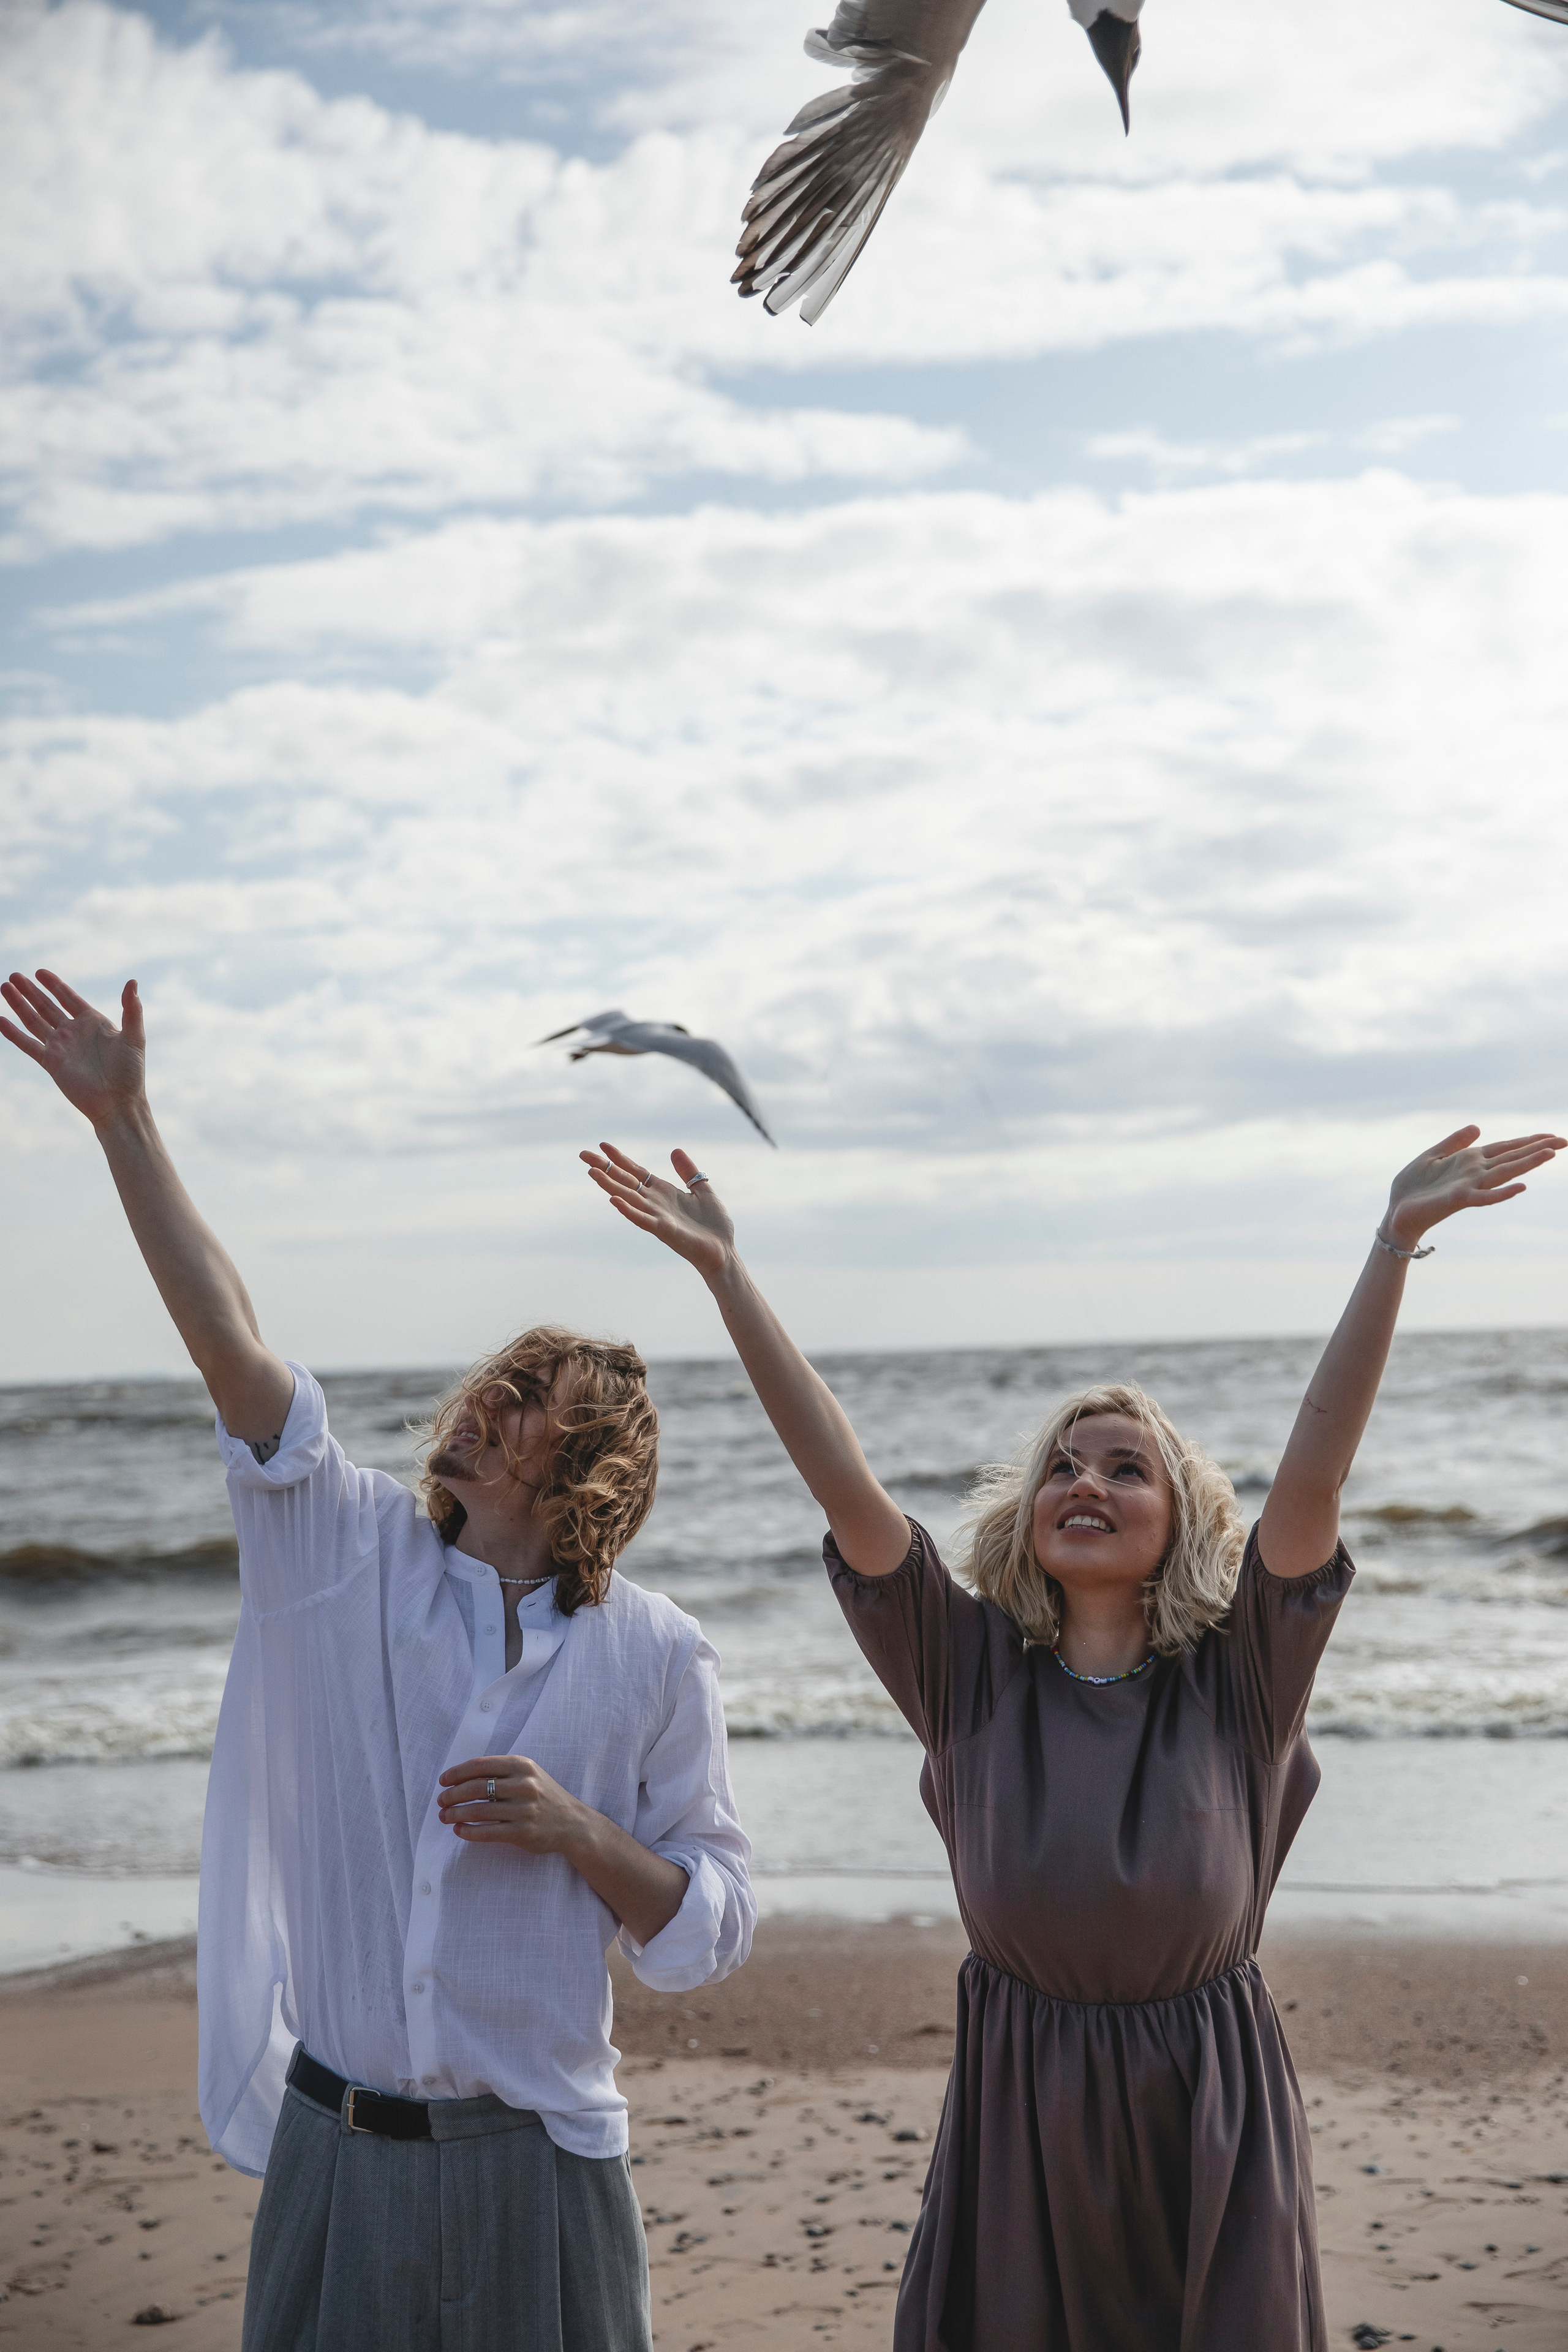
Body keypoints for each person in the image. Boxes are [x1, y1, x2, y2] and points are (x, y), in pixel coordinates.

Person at [581, 1120, 1563, 2351]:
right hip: (1020, 2110)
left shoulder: (1241, 1685)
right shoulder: (968, 1679)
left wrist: (1390, 1244)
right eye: (1062, 1464)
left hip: (1207, 2105)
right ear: (1031, 1507)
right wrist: (729, 1277)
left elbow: (1309, 1483)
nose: (1085, 1482)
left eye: (1123, 1468)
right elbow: (844, 1485)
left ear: (1183, 1521)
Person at [0, 968, 755, 2352]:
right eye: (491, 1381)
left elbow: (707, 1929)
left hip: (543, 2168)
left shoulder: (656, 1656)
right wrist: (123, 1122)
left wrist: (584, 1835)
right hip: (334, 2155)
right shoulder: (341, 1551)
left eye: (525, 1404)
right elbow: (231, 1343)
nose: (482, 1404)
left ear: (584, 1471)